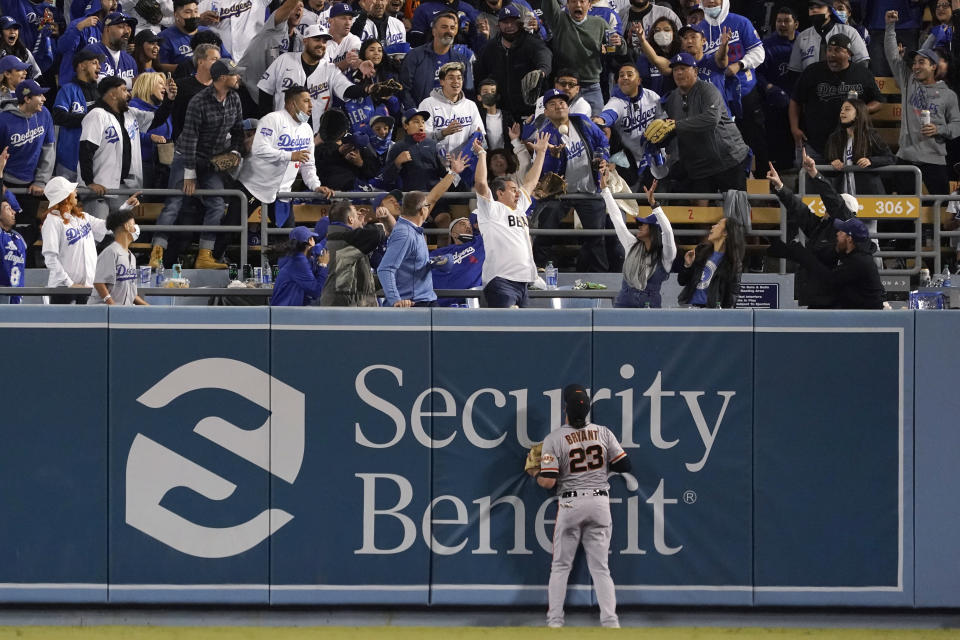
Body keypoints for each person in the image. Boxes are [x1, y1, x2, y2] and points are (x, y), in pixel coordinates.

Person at [535, 384, 630, 630]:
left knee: (560, 566)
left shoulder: (554, 438)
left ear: (565, 408)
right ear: (587, 410)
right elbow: (625, 465)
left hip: (570, 501)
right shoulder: (603, 432)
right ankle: (610, 622)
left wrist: (535, 472)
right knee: (601, 568)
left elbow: (549, 481)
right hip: (599, 502)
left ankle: (555, 622)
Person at [149, 59, 244, 269]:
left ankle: (204, 255)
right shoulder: (198, 101)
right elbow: (190, 138)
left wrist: (236, 152)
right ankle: (156, 254)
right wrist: (190, 173)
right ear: (222, 78)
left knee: (217, 205)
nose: (239, 77)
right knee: (174, 203)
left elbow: (238, 130)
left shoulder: (235, 99)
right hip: (186, 157)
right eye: (235, 74)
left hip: (211, 161)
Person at [531, 88, 617, 272]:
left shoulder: (582, 121)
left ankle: (598, 276)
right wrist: (553, 156)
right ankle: (537, 269)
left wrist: (602, 158)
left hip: (588, 190)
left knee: (596, 237)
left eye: (561, 103)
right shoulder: (545, 135)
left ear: (567, 107)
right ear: (546, 112)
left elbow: (603, 142)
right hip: (559, 194)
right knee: (546, 231)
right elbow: (545, 174)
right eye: (552, 104)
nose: (558, 106)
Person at [766, 149, 864, 308]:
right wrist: (780, 187)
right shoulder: (820, 226)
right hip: (813, 297)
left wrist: (813, 172)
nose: (825, 208)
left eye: (830, 207)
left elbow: (832, 199)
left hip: (834, 300)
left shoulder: (847, 227)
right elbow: (798, 209)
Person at [377, 151, 468, 306]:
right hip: (414, 305)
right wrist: (395, 301)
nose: (430, 205)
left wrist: (431, 262)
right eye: (427, 205)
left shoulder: (412, 228)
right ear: (422, 211)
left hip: (424, 300)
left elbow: (433, 196)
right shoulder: (405, 233)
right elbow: (385, 270)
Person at [79, 75, 177, 219]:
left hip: (122, 186)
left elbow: (157, 119)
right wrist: (89, 182)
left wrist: (169, 100)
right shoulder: (97, 115)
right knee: (98, 232)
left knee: (119, 233)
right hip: (99, 187)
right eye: (124, 90)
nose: (128, 94)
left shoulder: (130, 113)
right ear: (112, 94)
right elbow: (86, 149)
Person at [885, 12, 960, 196]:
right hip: (906, 157)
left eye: (921, 62)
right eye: (914, 63)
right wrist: (889, 27)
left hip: (935, 159)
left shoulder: (948, 95)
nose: (915, 66)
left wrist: (939, 130)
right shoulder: (908, 81)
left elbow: (957, 126)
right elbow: (892, 56)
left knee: (941, 210)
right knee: (903, 215)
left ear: (933, 66)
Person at [238, 85, 332, 229]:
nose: (311, 105)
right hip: (254, 186)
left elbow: (308, 165)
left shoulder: (306, 129)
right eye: (306, 101)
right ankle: (212, 251)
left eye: (311, 101)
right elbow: (259, 149)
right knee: (229, 229)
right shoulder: (272, 119)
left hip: (282, 193)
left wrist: (316, 186)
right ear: (291, 103)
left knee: (288, 238)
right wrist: (290, 155)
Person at [472, 132, 549, 307]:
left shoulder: (519, 207)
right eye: (513, 189)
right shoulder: (491, 209)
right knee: (504, 331)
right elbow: (481, 184)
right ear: (499, 193)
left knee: (521, 332)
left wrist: (541, 153)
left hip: (523, 282)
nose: (518, 192)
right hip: (501, 281)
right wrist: (482, 154)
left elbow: (530, 182)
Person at [40, 176, 138, 303]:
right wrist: (69, 284)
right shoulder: (52, 221)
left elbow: (106, 226)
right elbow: (50, 258)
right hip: (63, 289)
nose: (75, 192)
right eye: (72, 190)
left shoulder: (83, 217)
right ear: (64, 196)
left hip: (87, 288)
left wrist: (126, 207)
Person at [695, 0, 768, 171]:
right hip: (714, 96)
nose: (711, 1)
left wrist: (740, 64)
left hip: (745, 91)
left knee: (754, 138)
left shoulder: (741, 22)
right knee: (723, 142)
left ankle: (764, 184)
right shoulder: (698, 30)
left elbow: (759, 52)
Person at [663, 53, 750, 192]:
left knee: (735, 209)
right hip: (700, 166)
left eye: (684, 68)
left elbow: (711, 119)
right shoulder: (673, 98)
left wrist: (675, 125)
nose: (679, 72)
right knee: (700, 211)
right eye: (675, 69)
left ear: (695, 71)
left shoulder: (707, 89)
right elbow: (674, 128)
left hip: (728, 160)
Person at [790, 33, 882, 161]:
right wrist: (794, 128)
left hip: (850, 145)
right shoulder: (812, 71)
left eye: (837, 50)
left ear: (849, 54)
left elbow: (878, 101)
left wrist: (860, 111)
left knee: (847, 180)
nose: (831, 54)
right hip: (815, 143)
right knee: (810, 179)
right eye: (829, 50)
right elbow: (795, 100)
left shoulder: (862, 74)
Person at [258, 24, 365, 134]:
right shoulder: (284, 60)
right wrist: (268, 123)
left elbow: (348, 89)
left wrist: (368, 89)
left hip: (314, 135)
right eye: (317, 39)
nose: (321, 44)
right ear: (305, 41)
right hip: (282, 131)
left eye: (324, 41)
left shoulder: (330, 69)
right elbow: (265, 91)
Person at [769, 216, 884, 309]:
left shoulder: (859, 261)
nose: (837, 234)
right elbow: (822, 255)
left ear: (849, 238)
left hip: (866, 317)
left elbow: (830, 279)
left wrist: (803, 255)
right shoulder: (851, 254)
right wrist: (795, 252)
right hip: (857, 311)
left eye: (841, 232)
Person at [601, 177, 676, 307]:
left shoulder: (666, 256)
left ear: (654, 230)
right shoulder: (631, 245)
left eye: (644, 225)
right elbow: (617, 219)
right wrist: (605, 191)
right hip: (623, 304)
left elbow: (668, 232)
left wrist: (654, 205)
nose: (640, 227)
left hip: (650, 309)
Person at [540, 0, 625, 115]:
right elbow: (548, 5)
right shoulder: (559, 20)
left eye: (582, 1)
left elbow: (620, 50)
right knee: (564, 128)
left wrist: (619, 43)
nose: (578, 5)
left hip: (592, 86)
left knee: (599, 126)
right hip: (565, 86)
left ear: (589, 5)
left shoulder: (600, 23)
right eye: (574, 1)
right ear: (567, 5)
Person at [0, 79, 55, 254]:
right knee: (5, 228)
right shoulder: (4, 120)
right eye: (40, 95)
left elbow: (49, 149)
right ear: (27, 99)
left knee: (28, 228)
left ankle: (23, 267)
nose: (44, 99)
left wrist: (41, 180)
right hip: (6, 184)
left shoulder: (44, 114)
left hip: (32, 185)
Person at [472, 4, 552, 122]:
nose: (509, 26)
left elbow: (545, 57)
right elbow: (479, 74)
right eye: (505, 22)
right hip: (502, 112)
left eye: (513, 22)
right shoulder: (490, 48)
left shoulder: (532, 43)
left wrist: (541, 72)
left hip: (530, 112)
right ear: (498, 25)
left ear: (520, 23)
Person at [596, 62, 666, 189]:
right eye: (621, 75)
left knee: (659, 194)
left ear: (638, 80)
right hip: (629, 160)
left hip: (654, 156)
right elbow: (608, 115)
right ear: (618, 81)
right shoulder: (616, 102)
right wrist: (600, 120)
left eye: (629, 74)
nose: (625, 77)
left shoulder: (651, 97)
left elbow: (663, 122)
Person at [319, 199, 391, 306]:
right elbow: (376, 232)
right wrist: (386, 218)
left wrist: (385, 278)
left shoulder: (338, 239)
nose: (360, 218)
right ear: (350, 220)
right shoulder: (345, 240)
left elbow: (359, 282)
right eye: (356, 216)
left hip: (339, 307)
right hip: (343, 312)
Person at [419, 61, 485, 177]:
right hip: (435, 166)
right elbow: (422, 138)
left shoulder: (470, 105)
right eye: (451, 78)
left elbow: (479, 134)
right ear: (442, 81)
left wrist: (477, 139)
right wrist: (443, 133)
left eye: (459, 78)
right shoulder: (428, 104)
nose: (456, 82)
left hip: (464, 165)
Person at [399, 11, 476, 108]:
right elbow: (404, 89)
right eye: (444, 27)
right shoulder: (414, 56)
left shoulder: (462, 60)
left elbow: (469, 92)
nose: (449, 31)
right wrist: (416, 114)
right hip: (423, 116)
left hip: (452, 115)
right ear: (434, 31)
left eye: (452, 28)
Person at [238, 0, 304, 102]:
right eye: (296, 5)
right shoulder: (275, 26)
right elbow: (288, 6)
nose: (299, 8)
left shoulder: (299, 39)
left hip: (267, 93)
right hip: (247, 86)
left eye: (302, 6)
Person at [54, 48, 104, 181]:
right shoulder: (68, 89)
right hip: (69, 161)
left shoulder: (102, 92)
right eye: (94, 63)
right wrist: (90, 118)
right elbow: (59, 116)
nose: (99, 66)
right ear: (81, 66)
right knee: (66, 202)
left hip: (95, 161)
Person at [677, 214, 745, 308]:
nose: (713, 226)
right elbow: (682, 281)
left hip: (712, 311)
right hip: (690, 307)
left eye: (718, 224)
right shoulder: (700, 250)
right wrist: (687, 265)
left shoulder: (733, 263)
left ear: (725, 232)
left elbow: (732, 295)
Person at [89, 208, 149, 305]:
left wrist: (147, 306)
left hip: (121, 312)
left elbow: (131, 293)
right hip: (103, 312)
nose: (135, 228)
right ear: (126, 226)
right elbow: (99, 283)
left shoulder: (132, 257)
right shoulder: (111, 252)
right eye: (133, 225)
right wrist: (113, 307)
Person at [788, 0, 869, 71]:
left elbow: (862, 62)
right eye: (811, 8)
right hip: (811, 87)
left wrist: (851, 83)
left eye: (819, 7)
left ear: (830, 11)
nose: (814, 10)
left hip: (844, 85)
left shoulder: (849, 32)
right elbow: (795, 71)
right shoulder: (802, 37)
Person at [382, 107, 448, 192]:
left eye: (423, 122)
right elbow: (387, 178)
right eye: (416, 122)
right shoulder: (397, 147)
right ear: (406, 126)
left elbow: (442, 174)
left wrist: (446, 164)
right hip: (412, 199)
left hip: (434, 196)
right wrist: (397, 163)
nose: (421, 125)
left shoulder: (433, 144)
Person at [157, 0, 231, 73]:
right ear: (176, 15)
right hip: (183, 81)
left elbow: (227, 58)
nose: (193, 16)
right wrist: (182, 68)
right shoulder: (164, 37)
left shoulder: (208, 33)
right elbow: (158, 66)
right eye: (188, 12)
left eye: (196, 11)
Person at [130, 70, 175, 189]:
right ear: (148, 85)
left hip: (162, 164)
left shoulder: (162, 109)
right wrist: (150, 137)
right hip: (142, 163)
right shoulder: (133, 107)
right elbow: (128, 133)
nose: (164, 87)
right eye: (160, 83)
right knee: (143, 202)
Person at [428, 215, 485, 306]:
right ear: (453, 233)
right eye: (462, 224)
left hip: (471, 300)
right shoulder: (440, 252)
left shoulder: (479, 243)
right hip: (441, 301)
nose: (468, 226)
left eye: (470, 225)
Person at [271, 225, 328, 306]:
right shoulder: (299, 261)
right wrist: (323, 265)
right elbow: (316, 291)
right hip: (284, 314)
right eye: (313, 239)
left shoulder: (292, 257)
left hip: (282, 311)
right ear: (310, 240)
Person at [198, 0, 270, 62]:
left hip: (254, 59)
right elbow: (188, 26)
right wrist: (199, 20)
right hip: (222, 62)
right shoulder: (206, 4)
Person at [89, 12, 138, 89]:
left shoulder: (130, 60)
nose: (127, 31)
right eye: (121, 26)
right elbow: (95, 82)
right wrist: (131, 82)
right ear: (107, 29)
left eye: (128, 27)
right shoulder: (92, 52)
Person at [0, 188, 25, 304]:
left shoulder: (19, 237)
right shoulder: (1, 235)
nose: (13, 211)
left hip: (17, 301)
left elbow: (36, 224)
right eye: (8, 209)